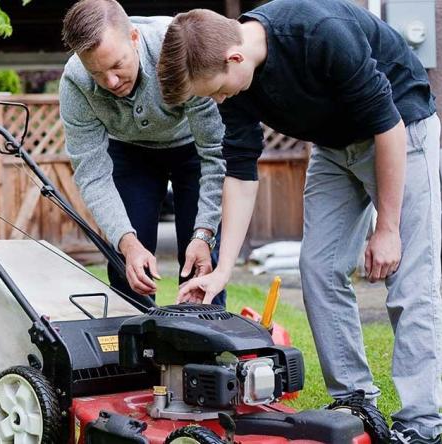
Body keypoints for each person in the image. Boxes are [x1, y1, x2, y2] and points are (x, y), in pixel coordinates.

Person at [160, 1, 441, 441]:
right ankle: (355, 401)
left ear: (234, 58)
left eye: (213, 90)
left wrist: (386, 228)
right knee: (319, 267)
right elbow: (240, 170)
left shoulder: (318, 33)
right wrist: (221, 271)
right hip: (334, 146)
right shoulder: (235, 81)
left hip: (402, 130)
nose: (215, 100)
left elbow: (389, 127)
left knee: (410, 279)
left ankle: (422, 425)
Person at [59, 0, 227, 304]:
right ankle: (135, 345)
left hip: (192, 148)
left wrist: (203, 234)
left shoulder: (179, 49)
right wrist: (127, 243)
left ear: (134, 39)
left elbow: (215, 154)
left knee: (199, 258)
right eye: (96, 73)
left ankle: (206, 342)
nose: (110, 81)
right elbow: (93, 175)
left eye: (116, 65)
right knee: (126, 265)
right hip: (130, 151)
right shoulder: (74, 82)